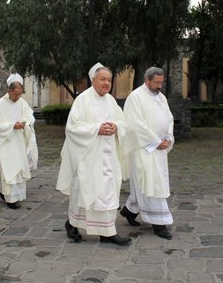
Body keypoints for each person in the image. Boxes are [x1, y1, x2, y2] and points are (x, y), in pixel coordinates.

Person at [56, 63, 131, 246]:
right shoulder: (82, 100)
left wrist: (116, 126)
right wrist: (96, 129)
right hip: (89, 157)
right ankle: (72, 224)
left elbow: (123, 122)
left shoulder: (111, 101)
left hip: (108, 156)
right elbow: (72, 128)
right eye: (103, 79)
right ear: (93, 80)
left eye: (109, 80)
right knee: (85, 192)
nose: (107, 83)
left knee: (107, 192)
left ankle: (107, 232)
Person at [120, 67, 174, 240]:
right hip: (143, 148)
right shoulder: (135, 97)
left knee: (145, 184)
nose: (159, 86)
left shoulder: (161, 97)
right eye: (156, 82)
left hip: (159, 148)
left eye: (161, 83)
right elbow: (135, 124)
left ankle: (129, 211)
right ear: (147, 80)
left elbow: (169, 118)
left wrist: (168, 138)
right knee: (152, 184)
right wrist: (155, 142)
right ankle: (159, 224)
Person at [0, 74, 38, 209]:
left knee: (18, 169)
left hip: (19, 141)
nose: (17, 97)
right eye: (15, 94)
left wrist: (26, 123)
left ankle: (16, 195)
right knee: (7, 170)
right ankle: (10, 198)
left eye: (19, 95)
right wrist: (12, 125)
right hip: (5, 142)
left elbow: (30, 117)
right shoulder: (0, 104)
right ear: (9, 91)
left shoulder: (22, 103)